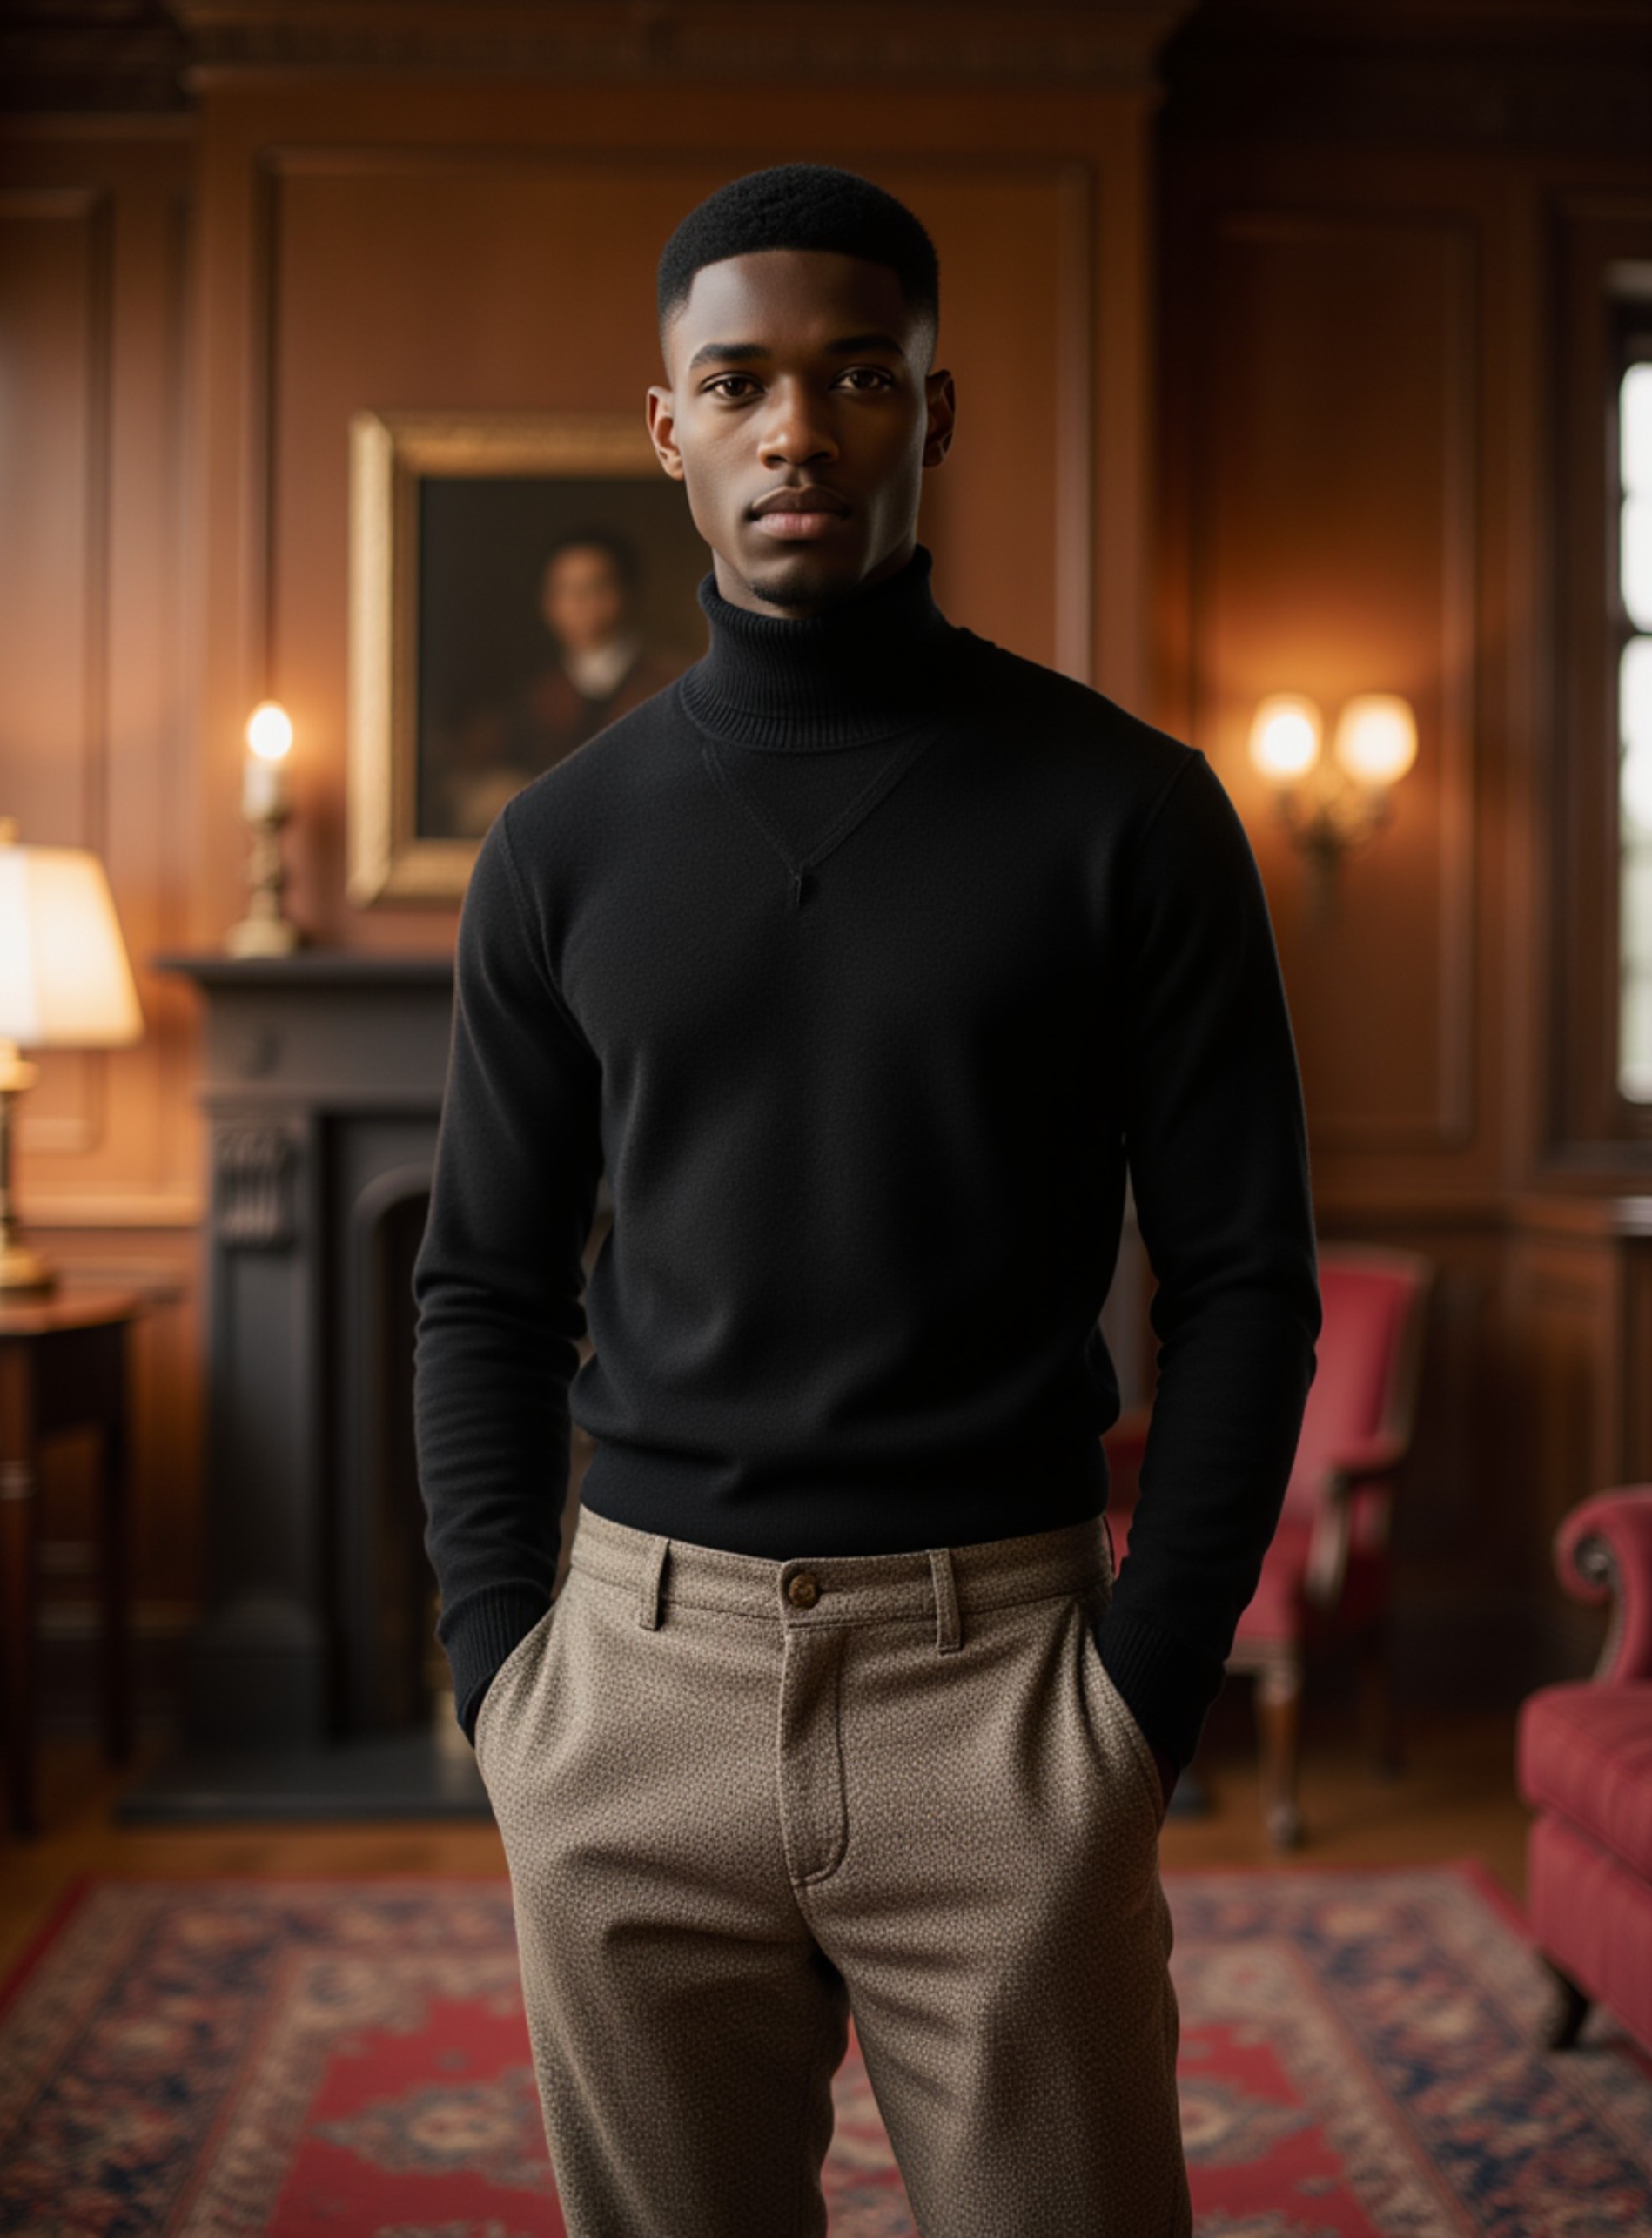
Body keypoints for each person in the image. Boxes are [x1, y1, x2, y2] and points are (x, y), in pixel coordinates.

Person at [413, 163, 1320, 2238]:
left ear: (934, 404)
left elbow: (1245, 1282)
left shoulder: (1129, 813)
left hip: (1002, 1688)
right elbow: (477, 1286)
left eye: (851, 378)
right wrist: (507, 1686)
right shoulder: (556, 850)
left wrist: (1136, 1692)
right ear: (668, 426)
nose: (793, 431)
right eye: (735, 383)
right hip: (630, 1690)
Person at [439, 528, 688, 836]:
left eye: (596, 587)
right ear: (548, 602)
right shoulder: (532, 693)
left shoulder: (672, 681)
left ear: (628, 593)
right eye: (566, 590)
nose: (580, 603)